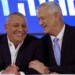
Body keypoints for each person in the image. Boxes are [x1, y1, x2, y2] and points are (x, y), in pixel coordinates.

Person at [29, 1, 75, 74]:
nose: (40, 23)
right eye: (39, 19)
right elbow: (37, 69)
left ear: (56, 16)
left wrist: (48, 70)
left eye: (42, 18)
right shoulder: (41, 43)